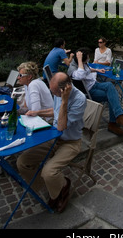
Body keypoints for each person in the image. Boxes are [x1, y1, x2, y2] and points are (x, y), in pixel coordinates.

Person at [17, 72, 86, 213]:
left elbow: (61, 126)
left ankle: (63, 185)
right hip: (54, 138)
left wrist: (65, 101)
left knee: (49, 172)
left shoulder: (79, 99)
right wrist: (37, 112)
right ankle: (48, 186)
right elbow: (55, 111)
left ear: (65, 89)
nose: (54, 95)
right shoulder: (58, 93)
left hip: (70, 142)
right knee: (22, 162)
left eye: (55, 93)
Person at [0, 61, 54, 176]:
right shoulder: (28, 84)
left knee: (11, 131)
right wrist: (12, 114)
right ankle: (0, 161)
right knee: (9, 124)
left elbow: (34, 112)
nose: (18, 77)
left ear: (29, 77)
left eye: (21, 75)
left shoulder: (34, 85)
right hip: (37, 118)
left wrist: (15, 118)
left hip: (45, 123)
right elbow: (25, 106)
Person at [68, 48, 123, 136]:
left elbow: (87, 70)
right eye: (88, 57)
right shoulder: (74, 68)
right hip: (90, 92)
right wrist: (79, 59)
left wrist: (97, 70)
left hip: (94, 84)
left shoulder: (84, 64)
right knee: (112, 96)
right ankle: (113, 123)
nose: (89, 58)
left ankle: (119, 116)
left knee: (110, 85)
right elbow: (81, 75)